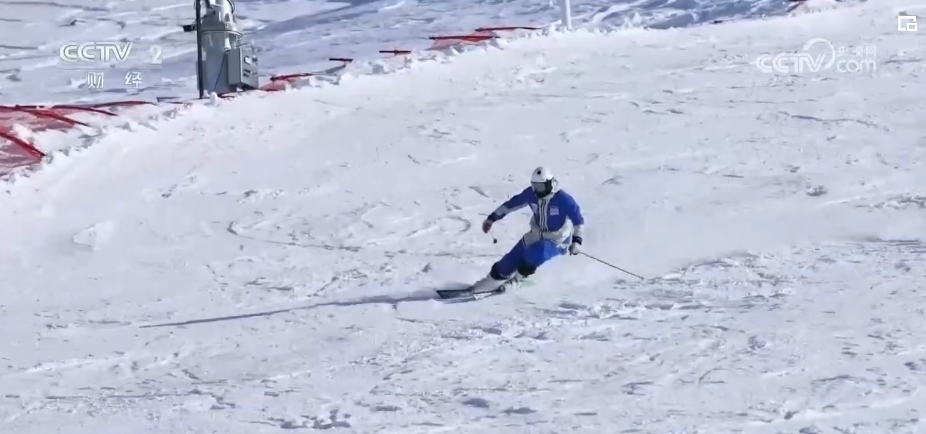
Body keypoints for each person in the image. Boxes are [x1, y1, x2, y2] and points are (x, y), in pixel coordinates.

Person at [472, 166, 585, 292]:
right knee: (508, 262)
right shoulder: (531, 194)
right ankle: (491, 280)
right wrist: (492, 218)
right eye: (534, 186)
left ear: (550, 184)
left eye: (540, 187)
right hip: (535, 234)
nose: (537, 190)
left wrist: (577, 242)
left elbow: (578, 221)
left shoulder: (563, 199)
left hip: (557, 240)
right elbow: (511, 205)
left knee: (537, 252)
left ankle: (518, 280)